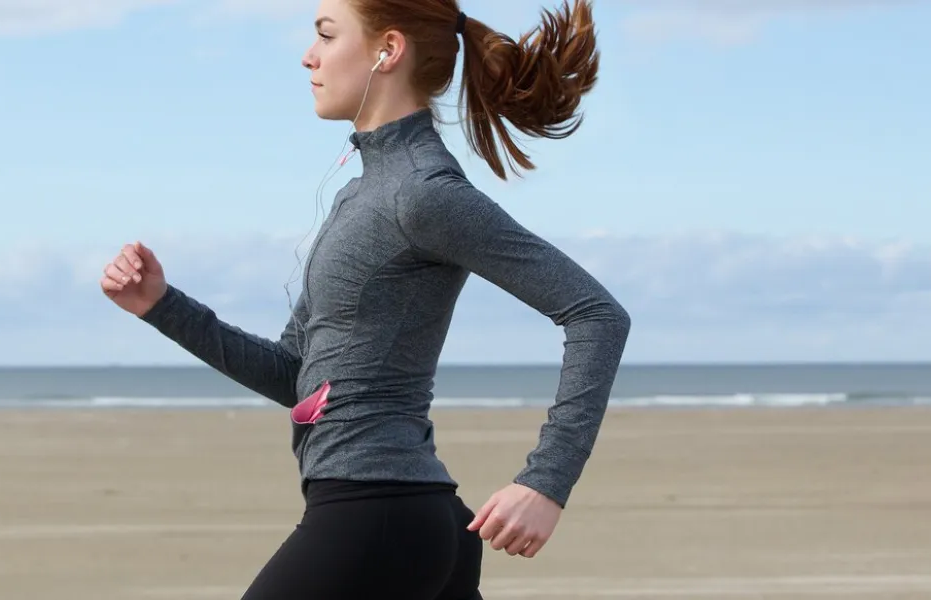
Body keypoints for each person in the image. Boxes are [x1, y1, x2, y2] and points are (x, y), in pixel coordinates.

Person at [99, 0, 630, 597]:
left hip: (378, 513)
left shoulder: (423, 192)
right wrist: (162, 305)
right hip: (401, 514)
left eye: (326, 35)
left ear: (388, 50)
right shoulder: (362, 194)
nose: (309, 55)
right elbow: (297, 378)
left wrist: (546, 482)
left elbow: (597, 314)